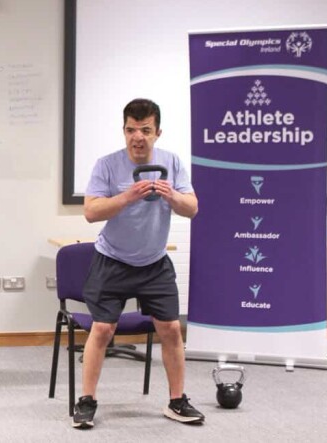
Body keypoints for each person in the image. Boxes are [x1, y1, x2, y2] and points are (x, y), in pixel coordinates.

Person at [73, 98, 204, 428]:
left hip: (154, 263)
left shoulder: (172, 162)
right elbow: (90, 212)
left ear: (157, 132)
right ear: (124, 131)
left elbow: (192, 208)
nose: (138, 137)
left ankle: (176, 401)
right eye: (131, 130)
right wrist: (126, 197)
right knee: (102, 329)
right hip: (111, 260)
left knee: (172, 329)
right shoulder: (107, 165)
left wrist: (172, 195)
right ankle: (86, 401)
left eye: (145, 130)